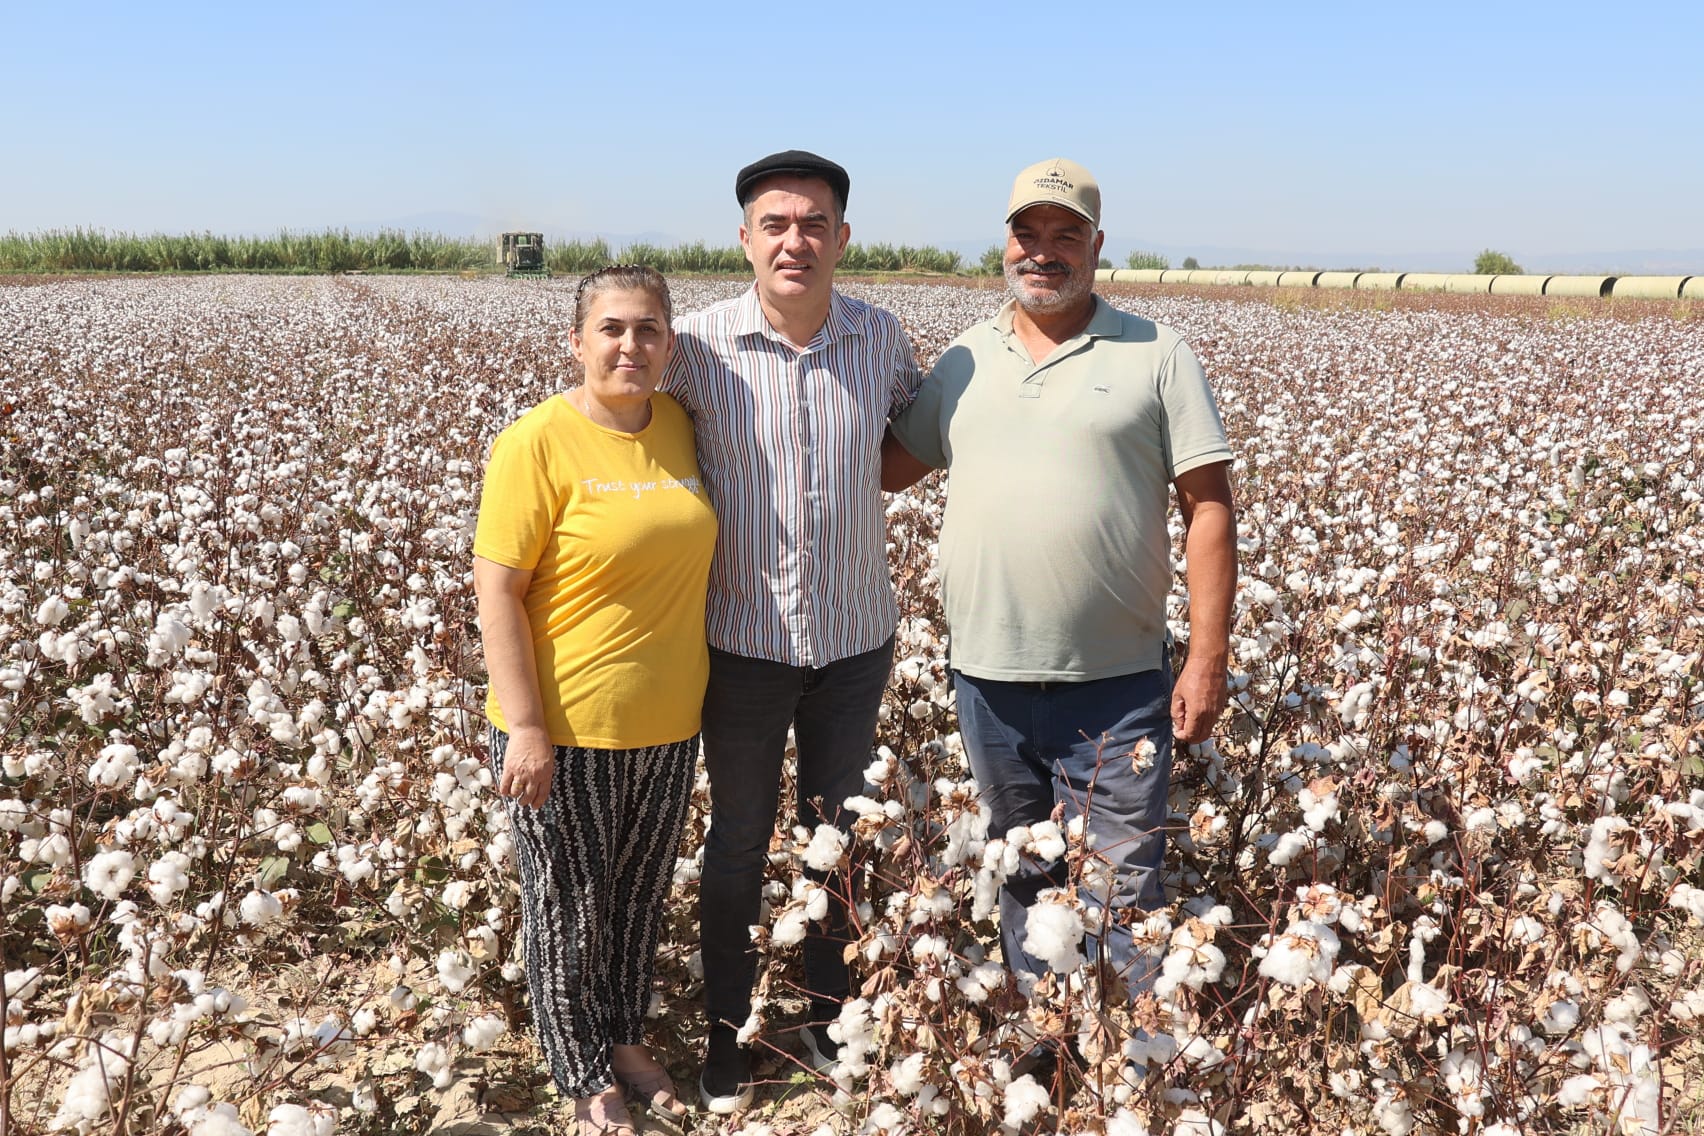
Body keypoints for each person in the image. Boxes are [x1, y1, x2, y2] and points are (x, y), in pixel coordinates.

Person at [883, 158, 1237, 1004]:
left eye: (1064, 236)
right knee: (1025, 872)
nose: (1043, 252)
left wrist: (1207, 657)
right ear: (1003, 245)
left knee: (1120, 883)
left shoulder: (1159, 353)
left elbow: (1210, 508)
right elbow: (888, 468)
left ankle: (1127, 1066)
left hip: (1117, 686)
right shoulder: (965, 360)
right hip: (987, 682)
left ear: (1096, 246)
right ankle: (1048, 1052)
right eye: (1027, 234)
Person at [660, 149, 924, 1113]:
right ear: (744, 240)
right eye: (775, 224)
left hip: (856, 642)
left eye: (814, 224)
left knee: (835, 838)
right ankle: (728, 1031)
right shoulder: (695, 348)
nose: (795, 241)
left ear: (843, 238)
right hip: (740, 646)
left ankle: (824, 1009)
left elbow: (914, 445)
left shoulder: (883, 340)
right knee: (735, 843)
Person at [473, 265, 717, 1136]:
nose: (629, 345)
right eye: (611, 329)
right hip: (566, 726)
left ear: (670, 346)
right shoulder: (535, 441)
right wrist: (526, 728)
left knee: (639, 897)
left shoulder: (683, 427)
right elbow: (497, 590)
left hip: (668, 720)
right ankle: (580, 1073)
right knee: (566, 904)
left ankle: (623, 1037)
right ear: (577, 341)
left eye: (648, 330)